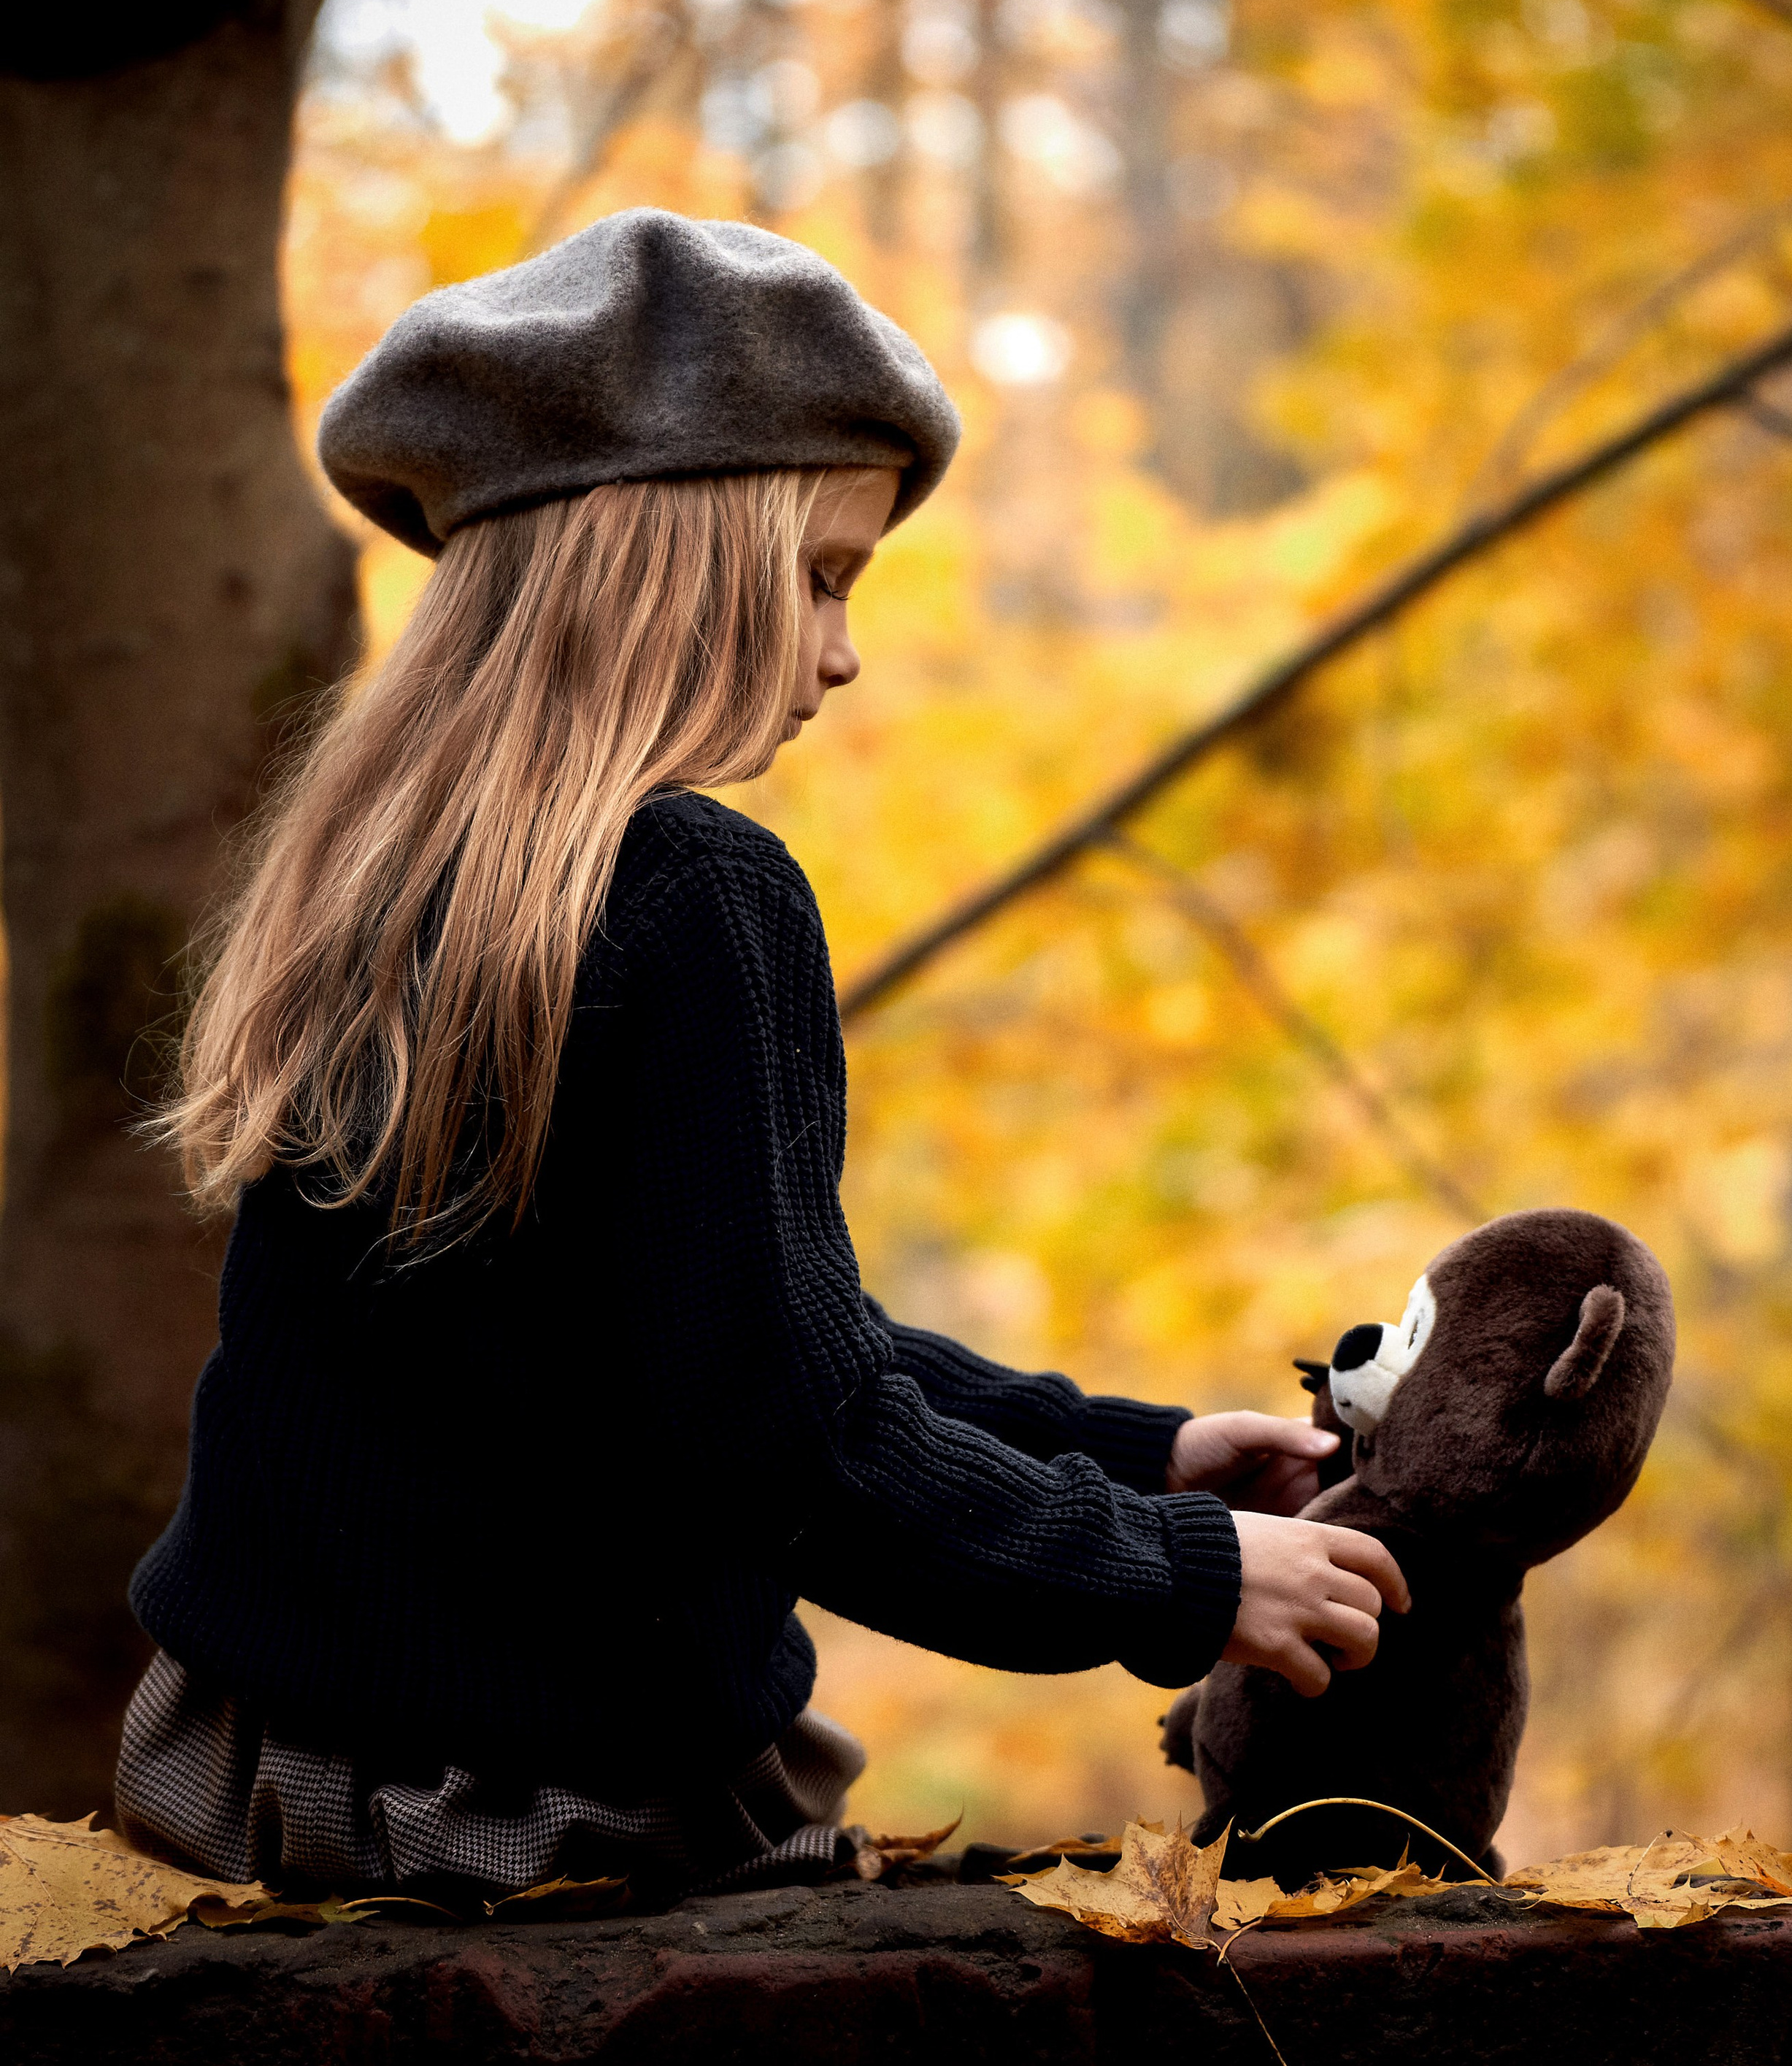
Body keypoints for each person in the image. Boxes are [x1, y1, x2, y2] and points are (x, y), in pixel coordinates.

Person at [118, 210, 1408, 1900]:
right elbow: (778, 1435)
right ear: (663, 562)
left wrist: (1129, 1448)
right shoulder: (695, 890)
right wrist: (1172, 1574)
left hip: (253, 1774)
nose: (842, 651)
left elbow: (719, 1338)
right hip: (534, 1826)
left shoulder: (382, 883)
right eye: (820, 573)